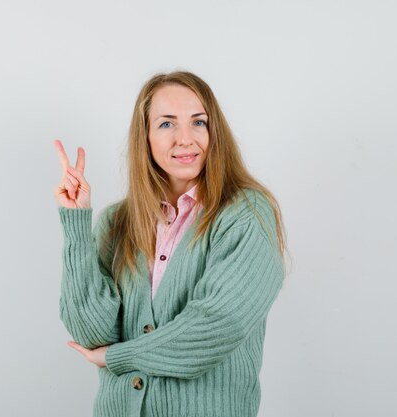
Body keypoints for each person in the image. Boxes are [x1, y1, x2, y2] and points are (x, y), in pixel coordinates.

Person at [52, 71, 287, 417]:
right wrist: (76, 223)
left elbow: (215, 329)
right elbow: (92, 331)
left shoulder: (246, 215)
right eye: (166, 124)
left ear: (214, 132)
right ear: (144, 137)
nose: (185, 139)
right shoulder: (117, 223)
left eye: (198, 122)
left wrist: (117, 356)